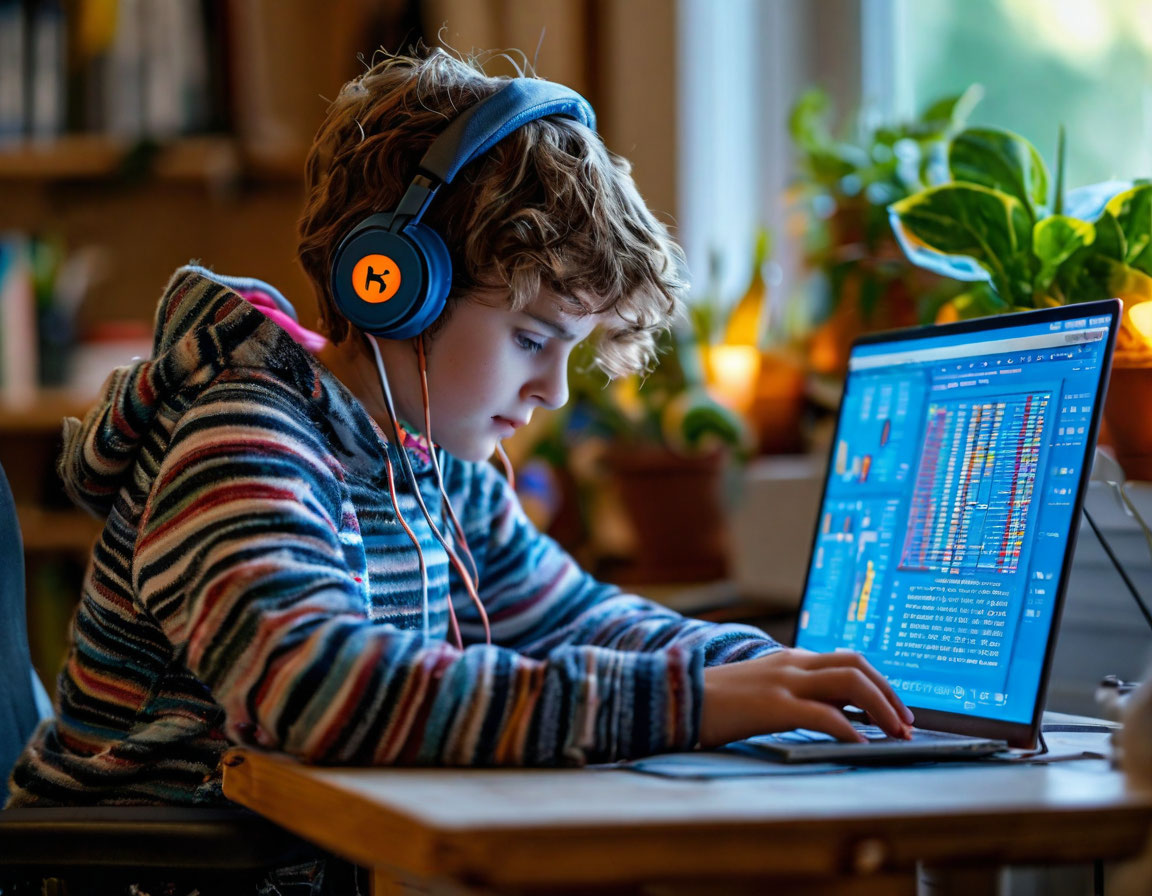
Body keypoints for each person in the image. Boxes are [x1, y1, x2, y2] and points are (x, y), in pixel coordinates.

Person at [8, 46, 912, 815]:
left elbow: (573, 619)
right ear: (390, 284)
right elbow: (317, 690)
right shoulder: (241, 442)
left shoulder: (433, 463)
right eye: (530, 338)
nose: (554, 391)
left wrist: (772, 673)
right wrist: (692, 702)